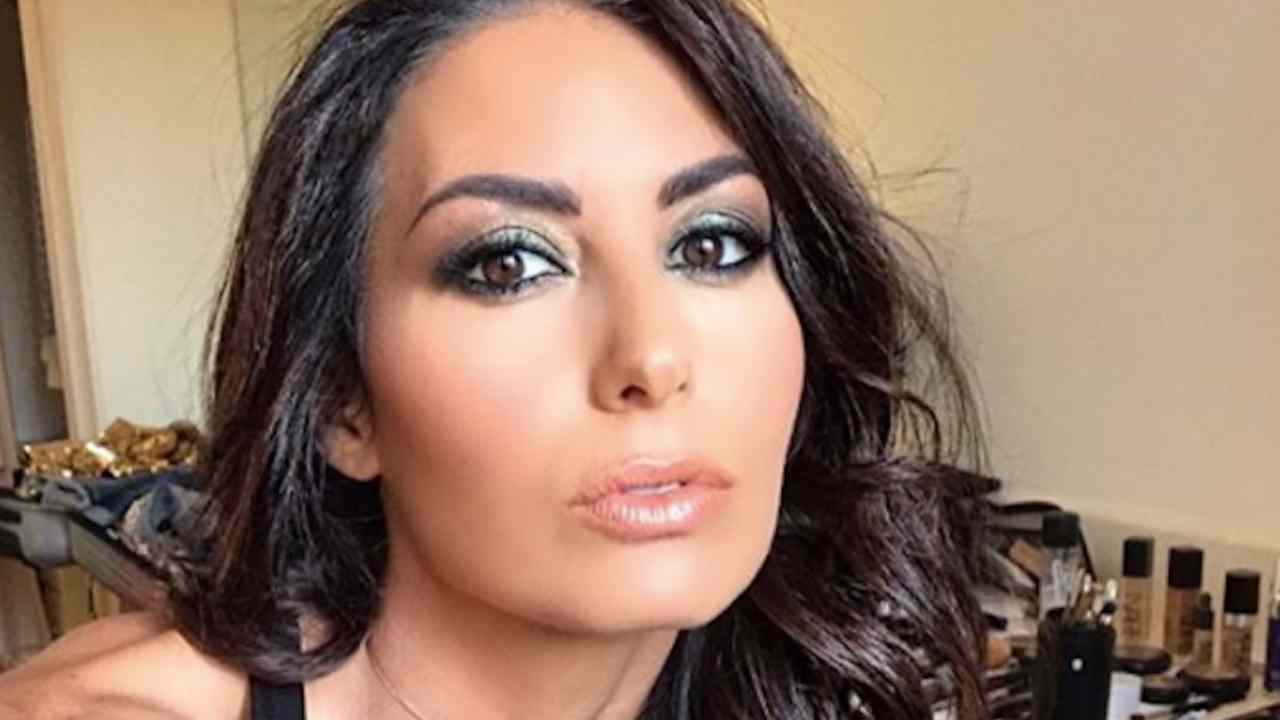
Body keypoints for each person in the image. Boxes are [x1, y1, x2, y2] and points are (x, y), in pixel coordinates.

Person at [0, 0, 995, 717]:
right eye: (509, 264)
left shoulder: (794, 682)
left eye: (712, 245)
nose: (652, 357)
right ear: (343, 399)